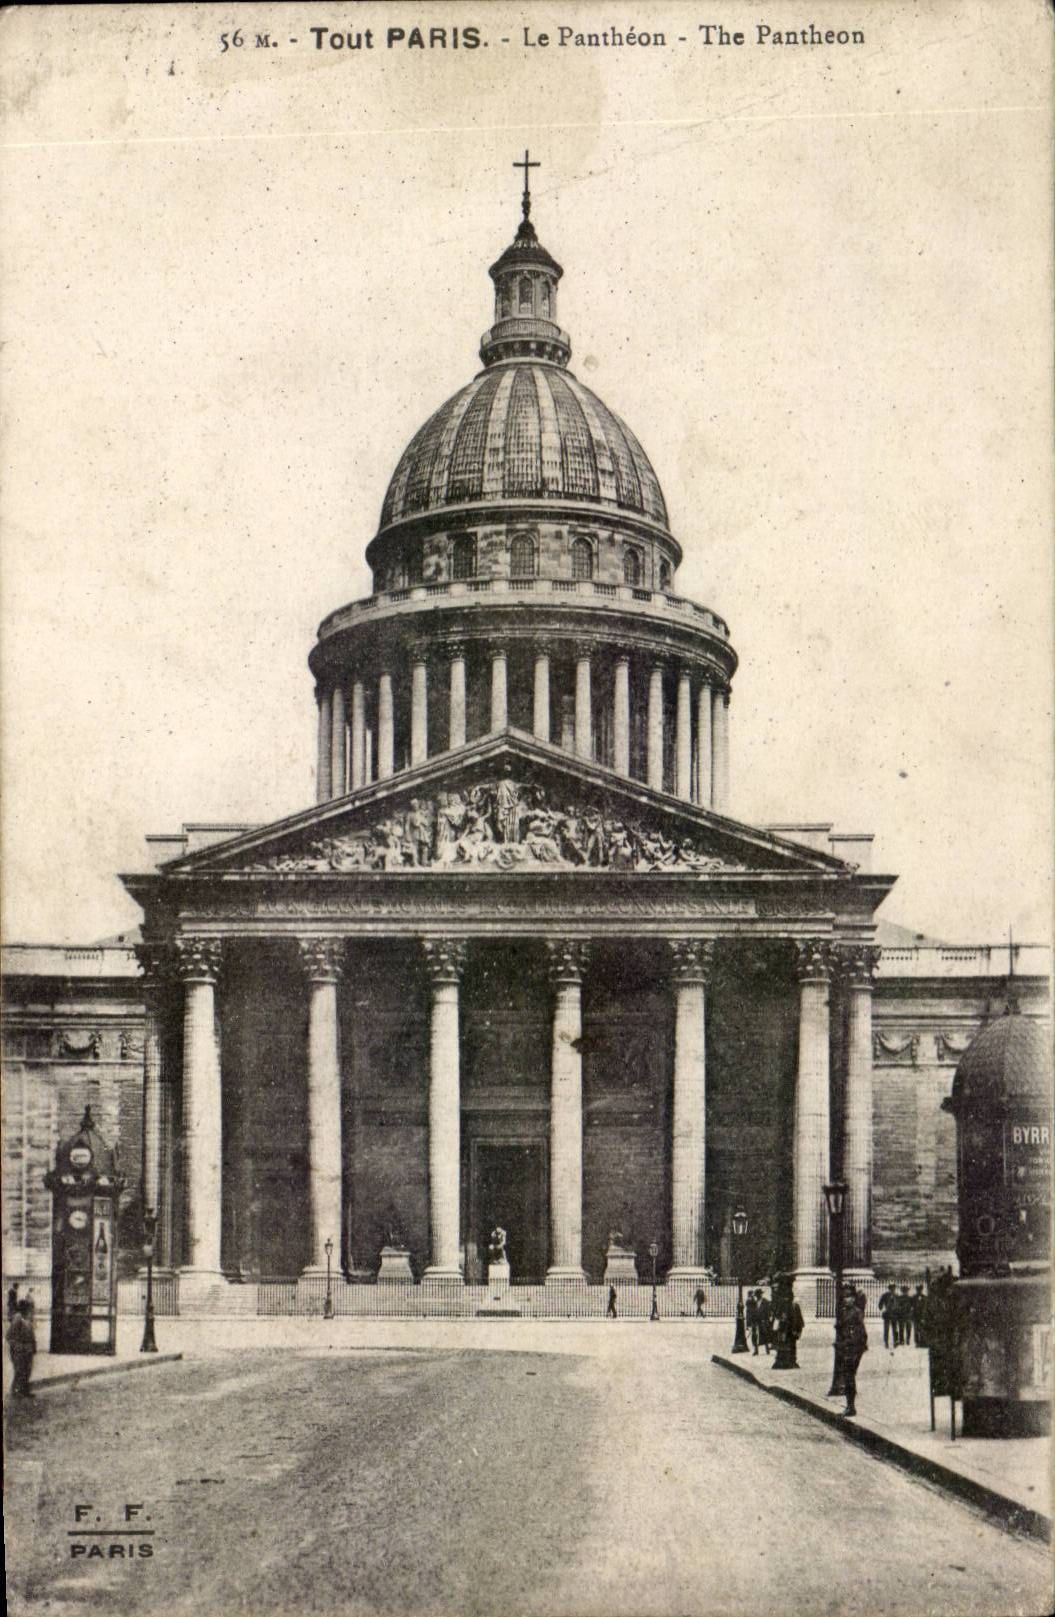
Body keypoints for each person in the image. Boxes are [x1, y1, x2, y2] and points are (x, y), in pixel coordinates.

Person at [839, 1290, 868, 1417]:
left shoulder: (857, 1312)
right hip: (846, 1347)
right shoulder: (844, 1311)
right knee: (848, 1376)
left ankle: (851, 1407)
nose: (846, 1299)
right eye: (845, 1297)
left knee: (849, 1376)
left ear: (854, 1299)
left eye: (849, 1297)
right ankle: (849, 1405)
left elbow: (861, 1331)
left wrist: (857, 1348)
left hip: (854, 1348)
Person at [6, 1297, 36, 1398]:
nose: (32, 1310)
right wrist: (17, 1347)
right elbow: (9, 1336)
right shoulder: (17, 1319)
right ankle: (15, 1391)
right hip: (19, 1350)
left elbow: (31, 1335)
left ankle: (24, 1390)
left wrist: (33, 1347)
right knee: (19, 1370)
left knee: (27, 1370)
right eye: (30, 1307)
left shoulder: (28, 1318)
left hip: (28, 1349)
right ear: (24, 1308)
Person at [878, 1281, 898, 1349]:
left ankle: (895, 1341)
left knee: (895, 1329)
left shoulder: (896, 1295)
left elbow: (899, 1304)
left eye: (893, 1288)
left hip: (894, 1314)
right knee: (886, 1329)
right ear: (889, 1288)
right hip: (887, 1314)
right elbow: (880, 1303)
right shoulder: (885, 1295)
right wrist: (881, 1308)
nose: (892, 1289)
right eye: (891, 1288)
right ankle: (886, 1342)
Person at [757, 1289, 774, 1355]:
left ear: (761, 1294)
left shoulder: (765, 1301)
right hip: (758, 1321)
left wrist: (767, 1318)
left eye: (759, 1294)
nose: (758, 1296)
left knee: (766, 1335)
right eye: (757, 1295)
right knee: (757, 1335)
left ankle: (767, 1349)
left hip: (764, 1321)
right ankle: (756, 1350)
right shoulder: (756, 1302)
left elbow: (769, 1311)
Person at [746, 1289, 760, 1353]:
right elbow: (748, 1312)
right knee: (754, 1334)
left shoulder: (754, 1301)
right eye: (751, 1294)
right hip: (753, 1319)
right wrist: (747, 1323)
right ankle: (755, 1348)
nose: (753, 1295)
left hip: (755, 1319)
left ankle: (756, 1348)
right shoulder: (749, 1301)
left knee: (756, 1334)